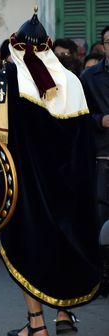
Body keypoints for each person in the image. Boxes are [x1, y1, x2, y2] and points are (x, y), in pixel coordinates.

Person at [0, 10, 101, 336]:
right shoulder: (72, 79)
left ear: (16, 45)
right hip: (70, 184)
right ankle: (64, 312)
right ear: (47, 46)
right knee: (64, 245)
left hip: (27, 183)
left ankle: (36, 324)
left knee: (28, 247)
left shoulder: (9, 76)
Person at [81, 26, 109, 232]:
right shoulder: (89, 77)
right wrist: (100, 121)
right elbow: (78, 117)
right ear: (103, 46)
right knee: (100, 209)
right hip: (102, 155)